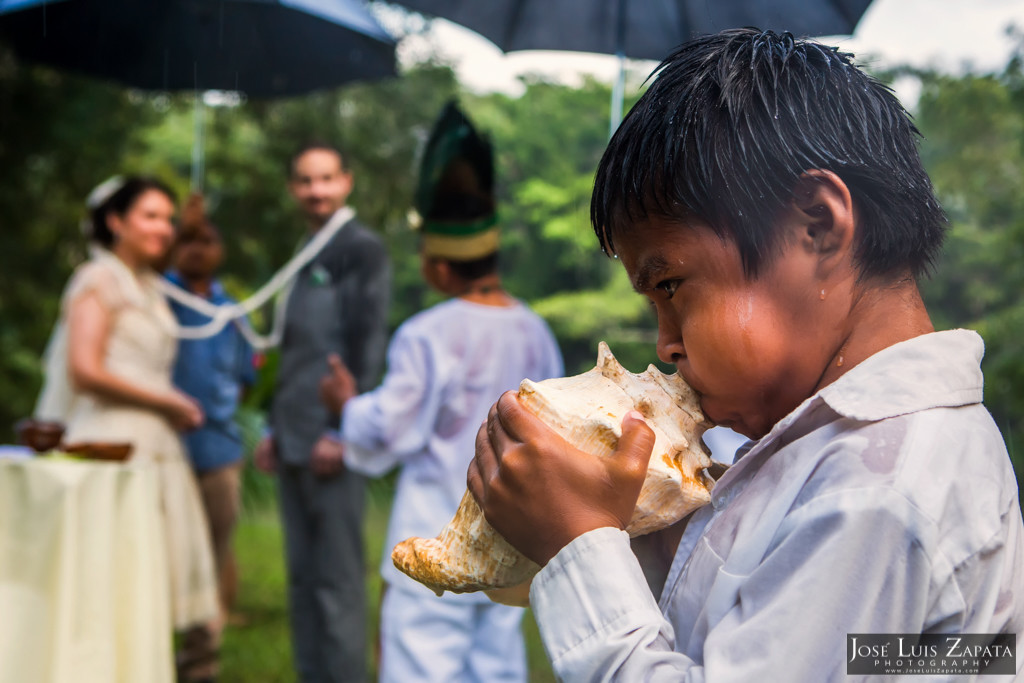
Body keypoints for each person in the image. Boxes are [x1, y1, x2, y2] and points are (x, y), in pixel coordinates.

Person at [468, 29, 1024, 681]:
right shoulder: (852, 455)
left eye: (670, 285)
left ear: (818, 225)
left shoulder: (879, 492)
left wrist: (579, 545)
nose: (666, 342)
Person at [318, 101, 564, 683]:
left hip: (433, 527)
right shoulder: (536, 330)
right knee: (495, 663)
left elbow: (394, 426)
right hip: (509, 528)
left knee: (419, 661)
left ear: (438, 264)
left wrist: (347, 407)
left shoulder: (428, 333)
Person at [48, 176, 221, 682]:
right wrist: (166, 399)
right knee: (107, 582)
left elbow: (191, 261)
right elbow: (84, 368)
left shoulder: (147, 285)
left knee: (149, 584)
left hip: (157, 449)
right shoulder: (96, 280)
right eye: (149, 216)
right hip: (108, 444)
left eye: (168, 219)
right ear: (114, 221)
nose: (163, 229)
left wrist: (191, 224)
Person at [252, 143, 391, 683]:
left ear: (347, 182)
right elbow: (293, 352)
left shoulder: (360, 249)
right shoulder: (304, 249)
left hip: (331, 442)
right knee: (302, 577)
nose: (317, 191)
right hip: (290, 436)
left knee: (336, 580)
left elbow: (367, 344)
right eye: (307, 181)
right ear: (294, 189)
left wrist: (343, 430)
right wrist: (272, 425)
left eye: (327, 179)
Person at [166, 194, 256, 639]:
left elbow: (245, 376)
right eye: (187, 241)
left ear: (219, 250)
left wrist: (216, 408)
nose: (196, 250)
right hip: (165, 446)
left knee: (217, 540)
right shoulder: (158, 296)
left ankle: (210, 627)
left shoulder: (233, 312)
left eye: (206, 241)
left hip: (219, 446)